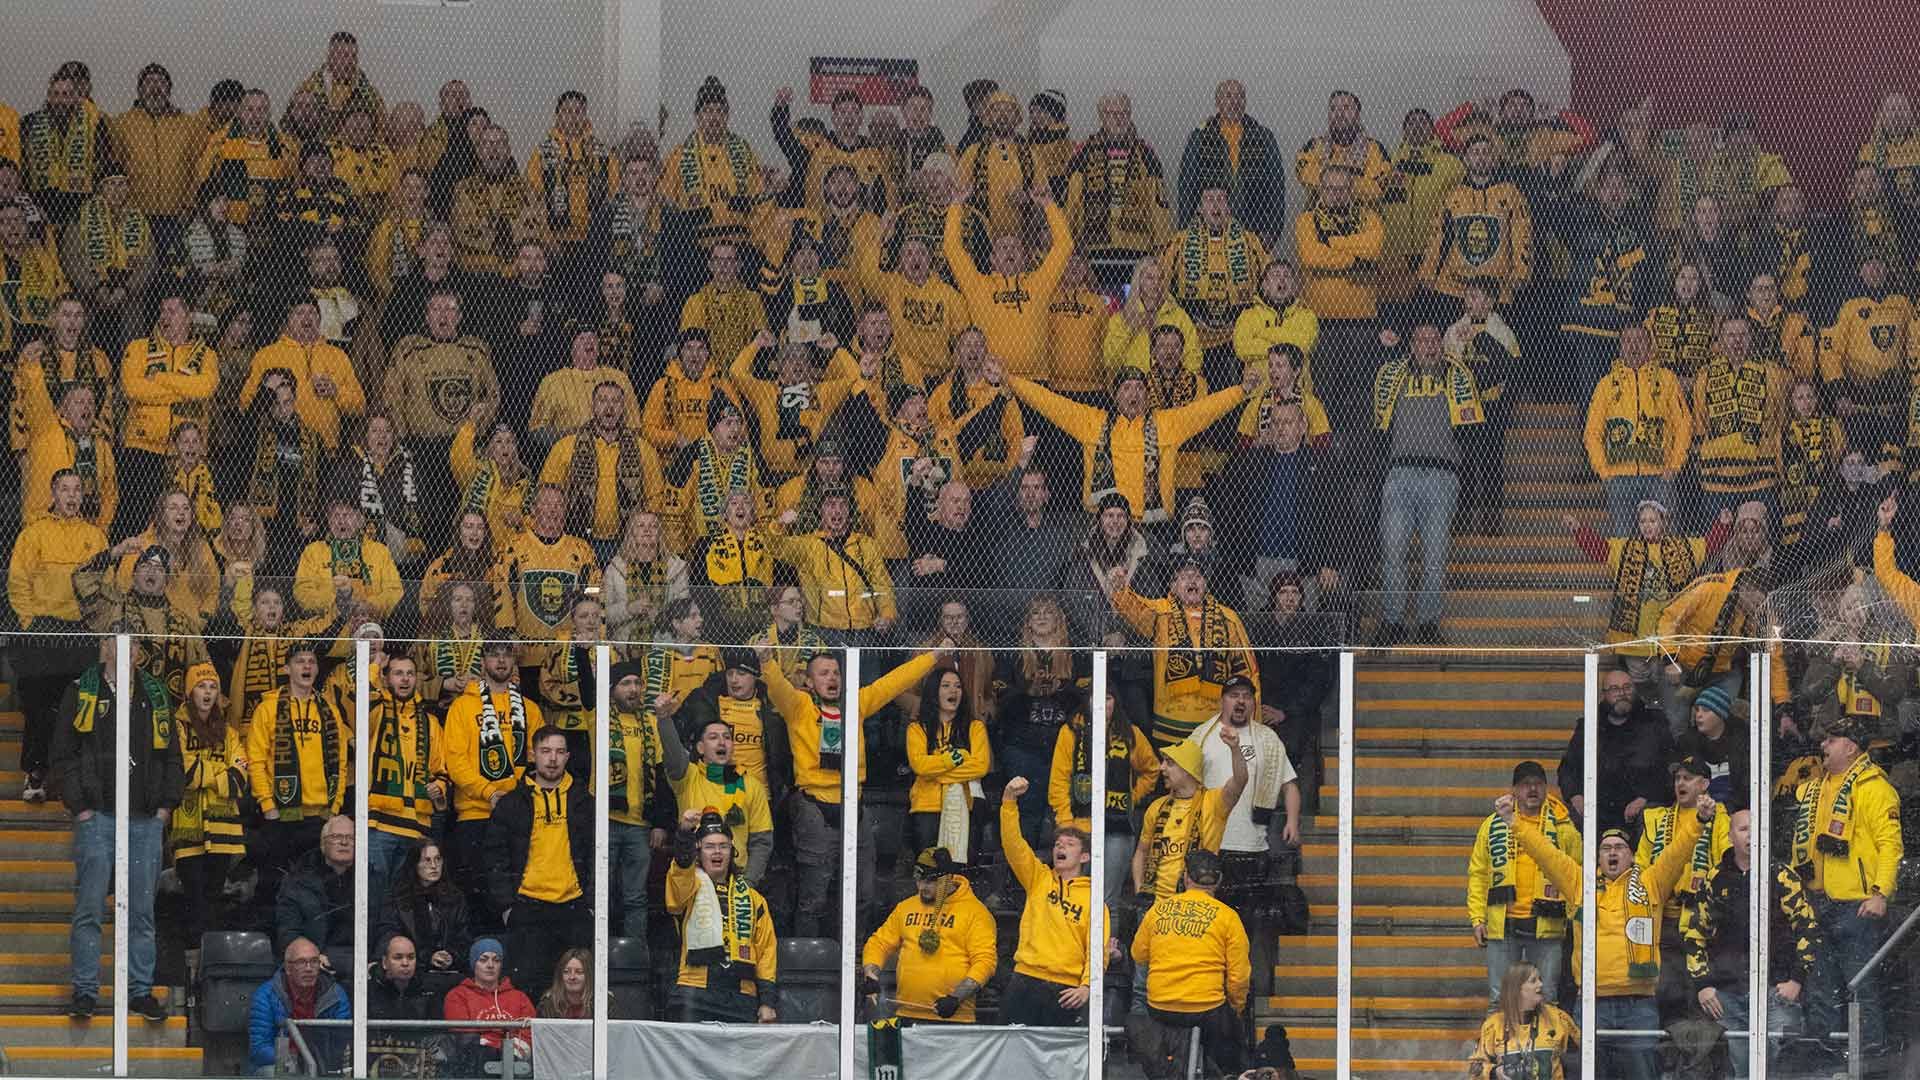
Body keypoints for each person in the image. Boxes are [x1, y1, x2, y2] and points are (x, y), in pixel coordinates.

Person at [1504, 788, 1710, 1080]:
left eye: (1619, 847)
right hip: (1591, 1003)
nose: (1612, 852)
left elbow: (1678, 851)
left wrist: (1699, 820)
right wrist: (1515, 822)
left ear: (1631, 855)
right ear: (1598, 857)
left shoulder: (1652, 881)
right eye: (1605, 848)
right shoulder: (1580, 883)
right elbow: (1544, 852)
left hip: (1638, 1004)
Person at [759, 645, 937, 936]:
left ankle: (853, 960)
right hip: (815, 807)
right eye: (824, 673)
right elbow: (778, 688)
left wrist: (933, 657)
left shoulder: (856, 704)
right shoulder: (800, 706)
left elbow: (892, 683)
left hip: (855, 805)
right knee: (814, 896)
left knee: (863, 894)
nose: (832, 679)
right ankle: (811, 964)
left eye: (837, 673)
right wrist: (767, 662)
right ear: (809, 681)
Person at [52, 633, 179, 1022]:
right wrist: (80, 807)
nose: (128, 649)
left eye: (136, 643)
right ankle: (86, 991)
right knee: (90, 907)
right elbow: (63, 751)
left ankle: (139, 990)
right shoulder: (81, 690)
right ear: (103, 646)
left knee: (141, 911)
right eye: (118, 641)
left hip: (144, 820)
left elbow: (172, 753)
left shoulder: (155, 693)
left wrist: (164, 807)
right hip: (98, 816)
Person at [1793, 713, 1902, 1061]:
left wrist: (1880, 893)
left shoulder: (1874, 788)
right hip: (1817, 898)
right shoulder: (1817, 787)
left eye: (1830, 740)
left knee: (1859, 981)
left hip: (1857, 903)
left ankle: (1871, 1050)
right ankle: (1823, 1049)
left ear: (1851, 747)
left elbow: (1890, 846)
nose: (1822, 745)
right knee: (1820, 981)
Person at [1684, 808, 1818, 1079]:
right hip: (1727, 995)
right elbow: (1694, 933)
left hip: (1776, 990)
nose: (1750, 835)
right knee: (1737, 1069)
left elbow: (1808, 928)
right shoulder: (1715, 878)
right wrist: (1703, 985)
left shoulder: (1781, 875)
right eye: (1743, 829)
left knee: (1782, 1068)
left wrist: (1797, 979)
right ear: (1731, 836)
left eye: (1756, 829)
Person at [1372, 322, 1484, 644]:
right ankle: (1392, 621)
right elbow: (1378, 424)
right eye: (1422, 340)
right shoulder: (1393, 374)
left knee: (1436, 556)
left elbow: (1472, 429)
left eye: (1435, 339)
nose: (1430, 345)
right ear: (1411, 345)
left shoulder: (1457, 375)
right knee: (1392, 551)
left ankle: (1427, 623)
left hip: (1442, 475)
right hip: (1399, 473)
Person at [1185, 676, 1296, 1002]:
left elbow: (1290, 784)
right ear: (1222, 700)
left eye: (1247, 696)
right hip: (1211, 847)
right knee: (1208, 927)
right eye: (1234, 695)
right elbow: (1183, 781)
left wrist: (1291, 821)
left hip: (1252, 847)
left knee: (1244, 931)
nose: (1241, 701)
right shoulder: (1202, 736)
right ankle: (1208, 989)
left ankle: (1241, 996)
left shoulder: (1267, 738)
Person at [486, 726, 591, 1001]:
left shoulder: (584, 802)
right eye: (545, 751)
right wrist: (507, 906)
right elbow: (495, 857)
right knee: (526, 993)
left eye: (559, 752)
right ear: (533, 755)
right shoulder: (512, 803)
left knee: (576, 996)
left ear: (568, 756)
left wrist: (590, 902)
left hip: (573, 908)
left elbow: (597, 854)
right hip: (527, 908)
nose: (552, 759)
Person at [1110, 555, 1259, 747]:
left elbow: (1247, 674)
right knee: (1173, 777)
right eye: (1183, 576)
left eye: (1197, 576)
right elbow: (1131, 607)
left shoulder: (1228, 618)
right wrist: (1118, 585)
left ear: (1206, 584)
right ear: (1172, 586)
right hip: (1169, 729)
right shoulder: (1161, 613)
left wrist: (1248, 722)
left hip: (1216, 730)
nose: (1191, 580)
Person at [997, 776, 1112, 1026]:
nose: (1061, 847)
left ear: (1084, 857)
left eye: (1069, 844)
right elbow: (1013, 845)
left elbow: (1097, 950)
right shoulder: (1038, 877)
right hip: (1024, 978)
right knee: (1011, 1054)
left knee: (1054, 1062)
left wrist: (1086, 987)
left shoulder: (1094, 899)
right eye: (1058, 843)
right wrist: (1008, 801)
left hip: (1065, 989)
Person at [1130, 849, 1252, 1077]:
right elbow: (1239, 976)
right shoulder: (1228, 917)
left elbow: (1139, 954)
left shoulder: (1158, 911)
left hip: (1160, 1007)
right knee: (1234, 1054)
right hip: (1207, 1008)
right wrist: (1236, 1007)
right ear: (1219, 880)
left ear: (1185, 877)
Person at [1467, 762, 1578, 1007]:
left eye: (1538, 783)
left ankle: (1546, 1046)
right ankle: (1498, 1046)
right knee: (1499, 999)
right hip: (1503, 924)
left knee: (1547, 998)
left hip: (1547, 924)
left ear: (1546, 788)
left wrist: (1575, 919)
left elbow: (1577, 871)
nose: (1532, 789)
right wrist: (1477, 918)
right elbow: (1478, 873)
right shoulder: (1493, 824)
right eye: (1525, 784)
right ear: (1514, 790)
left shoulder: (1561, 825)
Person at [664, 808, 779, 1023]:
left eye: (723, 846)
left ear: (732, 851)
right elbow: (680, 874)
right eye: (709, 847)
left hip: (741, 995)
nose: (717, 852)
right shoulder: (689, 887)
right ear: (698, 853)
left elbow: (766, 952)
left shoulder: (754, 899)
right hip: (695, 990)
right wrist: (684, 834)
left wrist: (767, 1002)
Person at [859, 846, 996, 1024]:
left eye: (930, 881)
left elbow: (985, 961)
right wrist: (871, 974)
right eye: (919, 879)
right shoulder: (906, 907)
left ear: (948, 879)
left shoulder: (975, 913)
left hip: (952, 1017)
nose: (922, 887)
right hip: (906, 1013)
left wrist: (956, 998)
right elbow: (879, 943)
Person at [1583, 326, 1693, 534]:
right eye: (1628, 341)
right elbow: (1592, 432)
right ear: (1620, 347)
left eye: (1640, 340)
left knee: (1666, 540)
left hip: (1659, 476)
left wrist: (1675, 465)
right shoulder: (1606, 385)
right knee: (1626, 544)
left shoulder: (1667, 379)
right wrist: (1604, 472)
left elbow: (1683, 425)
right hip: (1619, 478)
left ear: (1650, 346)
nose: (1634, 346)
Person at [1557, 669, 1673, 835]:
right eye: (1614, 689)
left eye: (1627, 687)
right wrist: (1576, 797)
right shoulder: (1589, 725)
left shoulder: (1654, 723)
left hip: (1641, 805)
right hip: (1598, 808)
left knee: (1652, 816)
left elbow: (1667, 768)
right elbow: (1568, 768)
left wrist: (1645, 798)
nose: (1622, 694)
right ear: (1604, 694)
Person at [1178, 81, 1285, 241]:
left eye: (1240, 96)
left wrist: (1272, 229)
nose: (1235, 101)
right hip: (1208, 231)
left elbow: (1276, 186)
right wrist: (1186, 231)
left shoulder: (1264, 136)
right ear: (1217, 102)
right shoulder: (1200, 137)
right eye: (1228, 96)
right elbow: (1187, 185)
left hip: (1254, 229)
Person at [374, 841, 471, 999]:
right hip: (412, 971)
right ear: (415, 865)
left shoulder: (455, 897)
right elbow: (389, 936)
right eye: (427, 860)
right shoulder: (397, 898)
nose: (434, 866)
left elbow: (464, 937)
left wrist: (451, 955)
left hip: (450, 971)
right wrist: (427, 957)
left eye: (438, 859)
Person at [249, 937, 349, 1076]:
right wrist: (295, 1062)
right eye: (301, 962)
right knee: (272, 1073)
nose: (309, 968)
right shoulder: (266, 995)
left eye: (314, 962)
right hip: (286, 1067)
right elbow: (259, 1048)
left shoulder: (335, 995)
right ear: (288, 968)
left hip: (324, 1068)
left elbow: (343, 1042)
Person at [275, 813, 357, 975]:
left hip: (362, 960)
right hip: (316, 961)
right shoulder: (298, 880)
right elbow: (288, 931)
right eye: (336, 836)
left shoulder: (372, 878)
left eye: (351, 837)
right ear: (322, 844)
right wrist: (310, 957)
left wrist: (377, 960)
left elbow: (385, 925)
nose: (344, 842)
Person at [1466, 961, 1578, 1080]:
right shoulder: (1493, 1025)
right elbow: (1474, 1070)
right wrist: (1494, 1072)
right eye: (1533, 980)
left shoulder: (1558, 1018)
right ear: (1516, 988)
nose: (1540, 984)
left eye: (1540, 979)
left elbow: (1584, 1056)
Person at [442, 938, 535, 1067]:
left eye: (496, 960)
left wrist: (502, 1051)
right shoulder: (457, 996)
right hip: (474, 1066)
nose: (490, 965)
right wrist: (500, 1050)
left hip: (515, 1066)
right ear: (474, 963)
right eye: (483, 959)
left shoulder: (520, 997)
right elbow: (463, 1038)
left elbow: (529, 1036)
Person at [368, 933, 435, 1021]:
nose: (405, 963)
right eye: (398, 957)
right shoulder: (368, 992)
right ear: (385, 962)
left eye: (411, 957)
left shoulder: (428, 990)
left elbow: (436, 1032)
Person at [537, 949, 596, 1019]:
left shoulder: (604, 1001)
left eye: (579, 972)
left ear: (589, 975)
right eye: (566, 971)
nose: (572, 977)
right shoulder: (548, 1004)